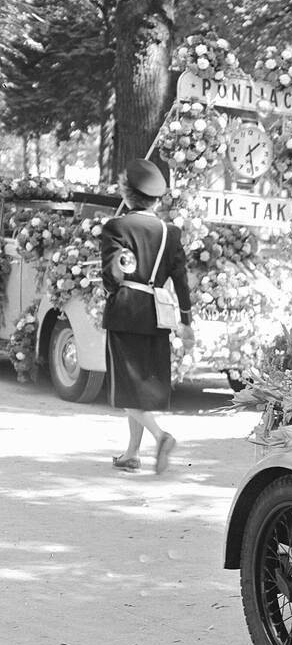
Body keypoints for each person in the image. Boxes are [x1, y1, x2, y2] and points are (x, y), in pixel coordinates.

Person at [100, 159, 194, 474]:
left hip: (125, 311)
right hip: (157, 314)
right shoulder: (171, 232)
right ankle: (131, 454)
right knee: (138, 384)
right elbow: (181, 280)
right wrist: (186, 321)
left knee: (124, 387)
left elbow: (111, 278)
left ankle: (161, 436)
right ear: (157, 198)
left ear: (127, 194)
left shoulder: (117, 227)